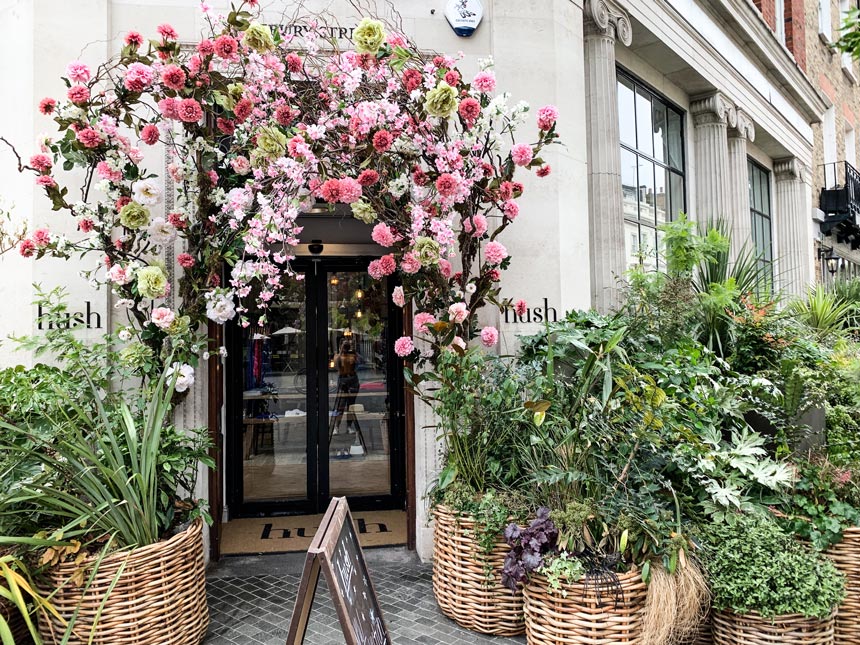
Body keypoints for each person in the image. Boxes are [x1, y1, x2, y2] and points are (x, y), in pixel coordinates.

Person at [333, 340, 360, 434]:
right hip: (343, 380)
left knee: (351, 405)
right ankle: (336, 426)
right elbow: (336, 365)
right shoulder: (338, 356)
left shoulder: (353, 355)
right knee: (340, 405)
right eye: (345, 346)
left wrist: (354, 351)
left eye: (347, 346)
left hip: (352, 380)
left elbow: (361, 361)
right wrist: (341, 351)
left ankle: (349, 426)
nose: (346, 348)